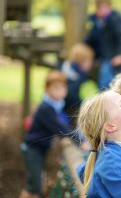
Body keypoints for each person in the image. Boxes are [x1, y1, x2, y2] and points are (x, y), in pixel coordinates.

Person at [19, 70, 71, 198]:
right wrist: (79, 139)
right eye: (55, 88)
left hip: (40, 149)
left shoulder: (56, 106)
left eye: (62, 88)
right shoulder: (46, 108)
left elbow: (64, 123)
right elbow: (60, 128)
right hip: (32, 150)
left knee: (39, 182)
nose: (59, 91)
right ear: (47, 89)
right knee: (34, 187)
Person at [85, 0, 121, 90]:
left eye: (104, 7)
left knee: (112, 82)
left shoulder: (116, 19)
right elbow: (91, 39)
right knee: (104, 80)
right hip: (103, 57)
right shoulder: (96, 21)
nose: (102, 10)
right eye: (99, 7)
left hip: (114, 56)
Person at [60, 43, 94, 119]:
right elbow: (72, 96)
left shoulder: (65, 68)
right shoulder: (80, 76)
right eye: (89, 61)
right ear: (82, 61)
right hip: (67, 111)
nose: (91, 64)